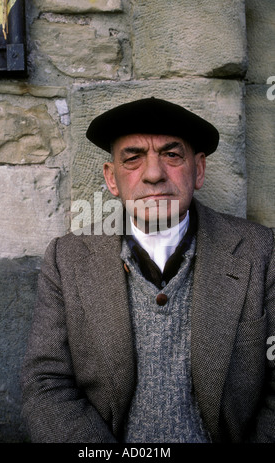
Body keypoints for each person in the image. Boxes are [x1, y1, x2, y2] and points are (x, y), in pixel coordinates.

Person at [21, 97, 275, 443]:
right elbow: (46, 383)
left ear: (198, 170)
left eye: (172, 155)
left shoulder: (261, 252)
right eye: (133, 158)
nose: (154, 174)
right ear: (112, 179)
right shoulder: (67, 259)